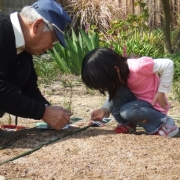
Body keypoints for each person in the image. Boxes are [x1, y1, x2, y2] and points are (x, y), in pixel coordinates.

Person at [0, 0, 72, 138]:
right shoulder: (2, 32)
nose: (52, 46)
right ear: (37, 25)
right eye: (54, 39)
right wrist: (42, 112)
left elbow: (28, 86)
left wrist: (47, 107)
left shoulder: (22, 46)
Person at [81, 47, 179, 137]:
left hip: (152, 106)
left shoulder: (138, 66)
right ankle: (127, 124)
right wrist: (104, 109)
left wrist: (161, 91)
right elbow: (114, 94)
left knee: (127, 111)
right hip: (136, 104)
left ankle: (164, 123)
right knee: (117, 89)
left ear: (116, 69)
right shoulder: (119, 75)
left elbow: (168, 64)